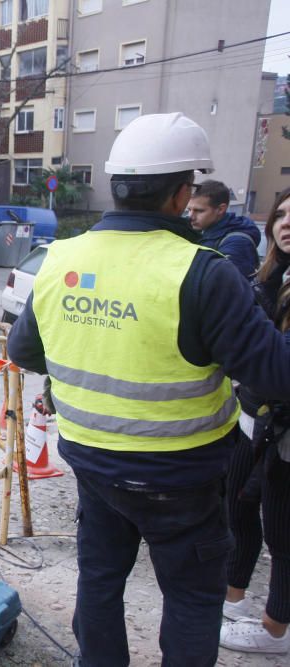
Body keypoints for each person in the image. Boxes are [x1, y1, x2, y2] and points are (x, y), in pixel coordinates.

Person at [7, 112, 290, 667]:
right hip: (179, 478)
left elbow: (23, 351)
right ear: (182, 192)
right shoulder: (202, 271)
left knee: (100, 581)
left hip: (93, 464)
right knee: (189, 597)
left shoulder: (63, 256)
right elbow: (273, 373)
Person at [220, 188, 290, 655]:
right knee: (238, 509)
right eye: (281, 215)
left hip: (284, 431)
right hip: (253, 419)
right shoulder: (266, 278)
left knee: (282, 531)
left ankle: (276, 630)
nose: (286, 223)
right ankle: (233, 598)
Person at [187, 179, 260, 279]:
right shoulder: (206, 230)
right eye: (189, 210)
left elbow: (225, 284)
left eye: (199, 211)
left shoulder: (237, 243)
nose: (190, 216)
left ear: (221, 209)